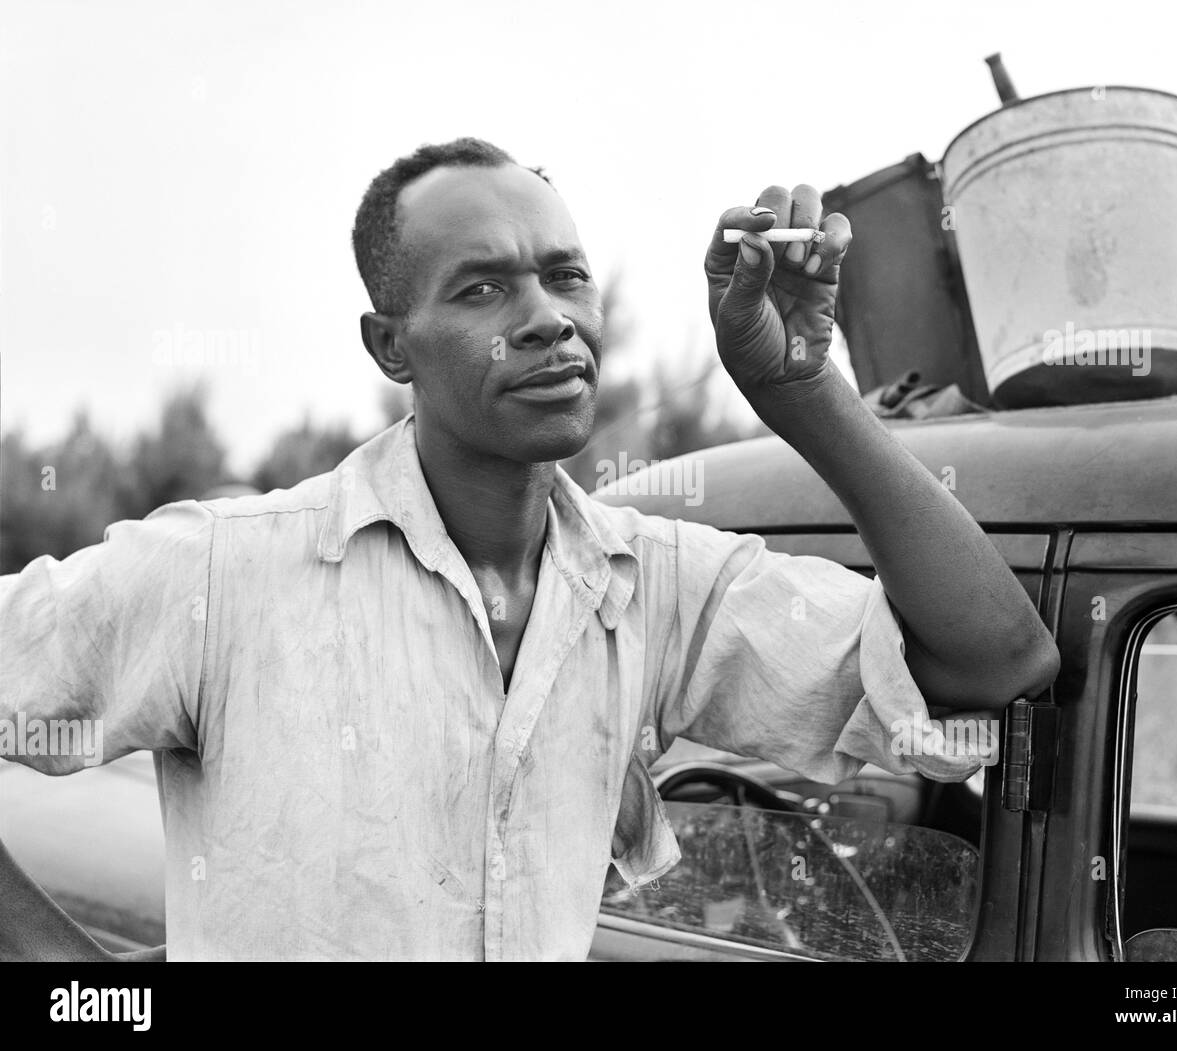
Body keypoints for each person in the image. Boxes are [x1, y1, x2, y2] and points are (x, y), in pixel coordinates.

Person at [0, 138, 1059, 961]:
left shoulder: (655, 588)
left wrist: (797, 390)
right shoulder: (221, 575)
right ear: (389, 345)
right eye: (482, 289)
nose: (548, 319)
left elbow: (994, 665)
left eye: (567, 277)